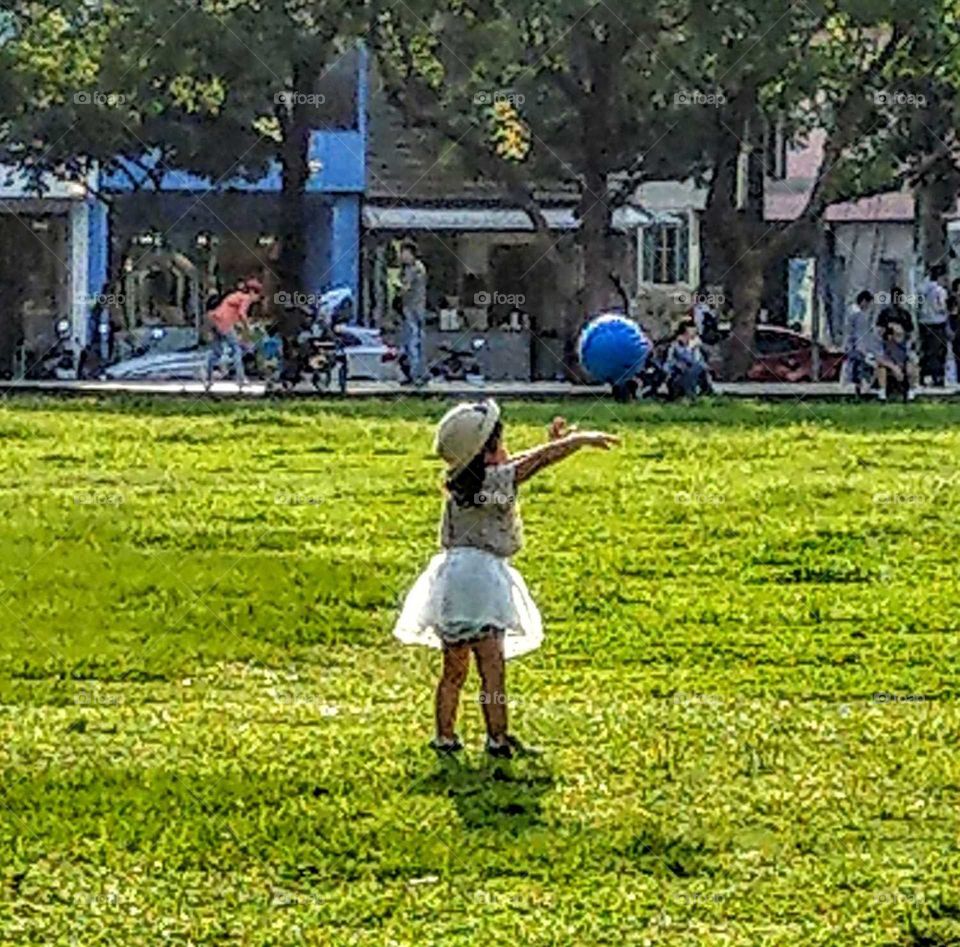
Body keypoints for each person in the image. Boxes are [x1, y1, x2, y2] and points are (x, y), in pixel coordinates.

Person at [393, 402, 620, 759]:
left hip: (451, 578)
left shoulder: (459, 484)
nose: (508, 450)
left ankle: (445, 735)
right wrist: (576, 441)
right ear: (486, 453)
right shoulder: (495, 483)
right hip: (483, 579)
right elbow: (532, 464)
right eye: (501, 444)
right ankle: (497, 738)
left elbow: (522, 462)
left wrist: (553, 443)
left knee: (453, 668)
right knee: (492, 669)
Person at [205, 277, 262, 388]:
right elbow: (241, 314)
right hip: (224, 323)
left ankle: (208, 377)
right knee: (236, 349)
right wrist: (247, 327)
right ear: (252, 292)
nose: (257, 299)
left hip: (214, 320)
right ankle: (240, 379)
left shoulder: (236, 295)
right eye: (258, 295)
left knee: (217, 351)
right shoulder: (246, 298)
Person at [399, 241, 428, 384]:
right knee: (409, 343)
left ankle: (417, 374)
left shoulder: (415, 268)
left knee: (413, 342)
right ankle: (413, 374)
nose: (402, 256)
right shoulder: (410, 268)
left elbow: (406, 288)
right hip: (410, 309)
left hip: (414, 310)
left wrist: (397, 287)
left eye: (404, 253)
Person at [665, 320, 714, 399]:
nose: (693, 336)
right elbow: (667, 364)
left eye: (694, 334)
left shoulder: (695, 347)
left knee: (698, 368)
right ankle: (688, 395)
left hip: (694, 377)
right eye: (689, 334)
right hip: (679, 378)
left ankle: (701, 393)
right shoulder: (674, 346)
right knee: (693, 368)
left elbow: (699, 363)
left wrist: (694, 348)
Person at [844, 290, 880, 396]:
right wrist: (864, 349)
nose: (869, 307)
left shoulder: (850, 311)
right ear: (864, 301)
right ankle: (860, 390)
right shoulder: (859, 315)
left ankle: (858, 389)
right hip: (858, 346)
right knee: (860, 369)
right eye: (868, 304)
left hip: (852, 345)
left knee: (855, 369)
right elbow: (860, 333)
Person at [918, 266, 949, 387]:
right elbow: (940, 307)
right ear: (940, 277)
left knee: (925, 350)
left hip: (924, 322)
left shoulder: (921, 288)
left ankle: (923, 376)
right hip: (937, 323)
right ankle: (937, 377)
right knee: (938, 351)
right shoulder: (940, 291)